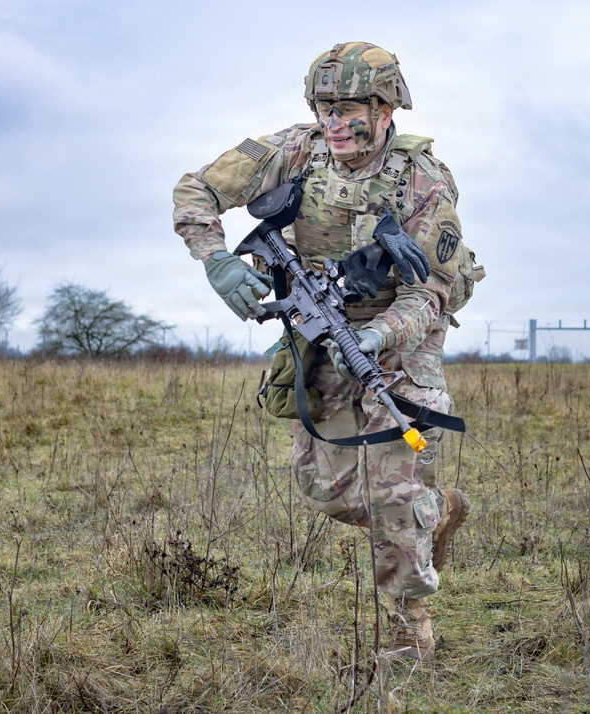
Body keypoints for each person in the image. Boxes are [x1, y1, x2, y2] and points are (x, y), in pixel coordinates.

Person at [173, 42, 481, 661]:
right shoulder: (292, 151)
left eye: (350, 110)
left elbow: (431, 294)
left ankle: (409, 632)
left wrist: (376, 337)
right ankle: (437, 510)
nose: (335, 123)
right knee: (325, 489)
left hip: (399, 336)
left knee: (391, 491)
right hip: (317, 327)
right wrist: (216, 260)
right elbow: (195, 189)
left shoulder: (423, 181)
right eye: (325, 109)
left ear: (386, 110)